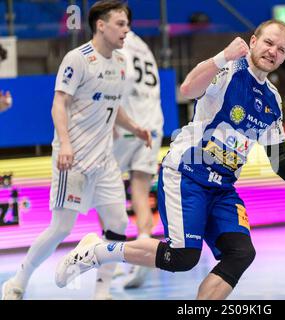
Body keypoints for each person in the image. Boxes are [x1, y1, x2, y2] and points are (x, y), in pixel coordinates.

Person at [54, 20, 285, 300]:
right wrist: (222, 57)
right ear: (253, 41)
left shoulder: (272, 100)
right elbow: (188, 89)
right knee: (182, 257)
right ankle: (97, 251)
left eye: (281, 49)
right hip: (187, 173)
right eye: (268, 43)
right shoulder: (229, 69)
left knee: (241, 253)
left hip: (222, 188)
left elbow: (277, 152)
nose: (272, 52)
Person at [1, 0, 151, 300]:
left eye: (127, 24)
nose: (126, 30)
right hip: (74, 159)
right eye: (120, 24)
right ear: (101, 25)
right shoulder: (77, 58)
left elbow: (113, 104)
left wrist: (134, 127)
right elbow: (60, 103)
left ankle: (102, 291)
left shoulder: (120, 63)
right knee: (61, 228)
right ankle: (18, 281)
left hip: (105, 159)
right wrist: (66, 144)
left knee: (119, 223)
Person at [112, 29, 164, 289]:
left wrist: (111, 117)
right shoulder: (144, 46)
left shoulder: (118, 42)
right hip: (153, 124)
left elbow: (122, 79)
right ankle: (143, 252)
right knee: (141, 194)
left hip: (128, 125)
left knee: (106, 192)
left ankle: (112, 257)